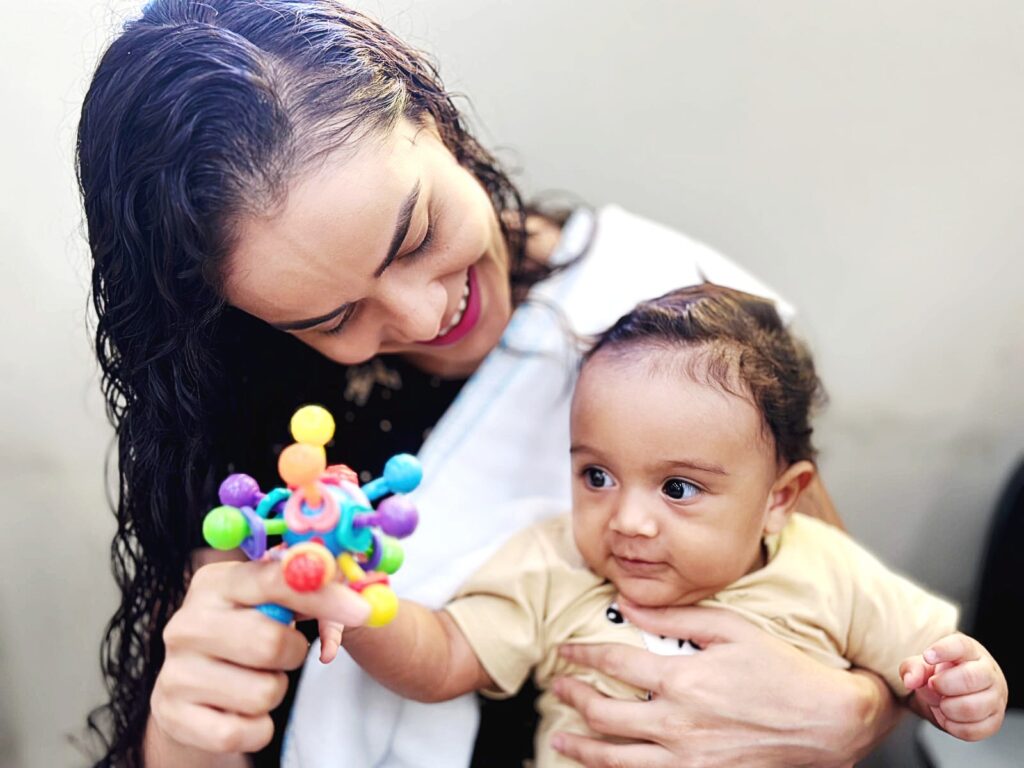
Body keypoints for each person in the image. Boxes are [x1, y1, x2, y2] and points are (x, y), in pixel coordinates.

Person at [78, 1, 903, 766]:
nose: (423, 313)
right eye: (333, 319)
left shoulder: (678, 329)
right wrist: (183, 731)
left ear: (430, 116)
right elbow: (219, 725)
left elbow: (848, 628)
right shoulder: (254, 425)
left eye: (418, 234)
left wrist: (859, 713)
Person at [337, 283, 1009, 766]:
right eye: (595, 476)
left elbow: (924, 669)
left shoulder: (827, 569)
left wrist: (963, 689)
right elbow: (442, 657)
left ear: (782, 497)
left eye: (679, 488)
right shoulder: (556, 562)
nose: (627, 521)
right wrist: (358, 598)